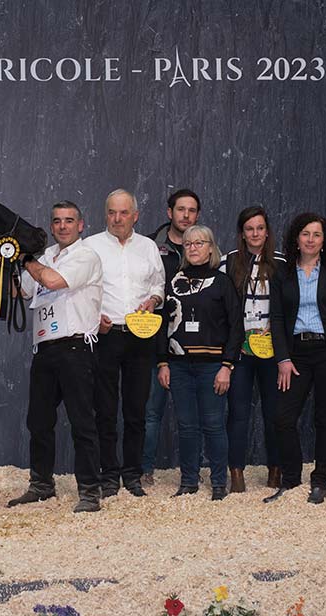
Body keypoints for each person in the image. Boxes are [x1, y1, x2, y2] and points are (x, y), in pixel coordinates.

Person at [7, 201, 104, 513]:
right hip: (45, 347)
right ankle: (41, 484)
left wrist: (24, 259)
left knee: (82, 422)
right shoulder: (47, 256)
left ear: (81, 225)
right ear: (51, 226)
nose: (63, 226)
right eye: (57, 221)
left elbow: (51, 281)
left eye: (69, 220)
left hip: (76, 347)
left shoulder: (86, 255)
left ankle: (90, 491)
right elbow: (19, 292)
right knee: (39, 421)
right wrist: (6, 263)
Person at [264, 213, 326, 505]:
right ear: (296, 237)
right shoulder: (282, 273)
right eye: (305, 234)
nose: (310, 239)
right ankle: (291, 481)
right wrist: (282, 358)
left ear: (324, 240)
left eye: (316, 235)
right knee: (282, 418)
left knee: (325, 419)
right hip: (295, 355)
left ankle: (320, 481)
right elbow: (278, 318)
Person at [84, 189, 165, 497]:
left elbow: (159, 283)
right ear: (106, 215)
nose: (117, 219)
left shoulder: (147, 247)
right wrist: (94, 319)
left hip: (141, 337)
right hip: (105, 336)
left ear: (135, 215)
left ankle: (132, 474)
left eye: (123, 213)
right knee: (104, 410)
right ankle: (108, 475)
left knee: (136, 411)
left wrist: (154, 298)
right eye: (112, 213)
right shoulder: (90, 246)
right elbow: (81, 289)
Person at [156, 225, 243, 500]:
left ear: (211, 248)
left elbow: (236, 327)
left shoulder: (222, 282)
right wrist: (162, 363)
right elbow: (162, 325)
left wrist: (227, 366)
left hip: (213, 368)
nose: (193, 247)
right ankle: (188, 481)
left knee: (214, 424)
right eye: (189, 243)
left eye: (200, 242)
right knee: (186, 426)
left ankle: (219, 483)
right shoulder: (172, 282)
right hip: (179, 365)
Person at [220, 206, 286, 491]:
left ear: (267, 231)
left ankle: (275, 470)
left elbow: (289, 305)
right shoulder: (228, 262)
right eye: (249, 229)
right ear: (242, 233)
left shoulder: (282, 263)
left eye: (260, 228)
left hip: (272, 351)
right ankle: (236, 473)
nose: (255, 233)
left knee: (274, 413)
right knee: (237, 413)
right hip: (240, 352)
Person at [141, 188, 201, 487]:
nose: (186, 215)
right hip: (153, 338)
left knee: (195, 414)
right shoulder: (150, 246)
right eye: (181, 209)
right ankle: (144, 470)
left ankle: (193, 471)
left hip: (192, 343)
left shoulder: (204, 248)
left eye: (191, 210)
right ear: (170, 213)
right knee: (151, 411)